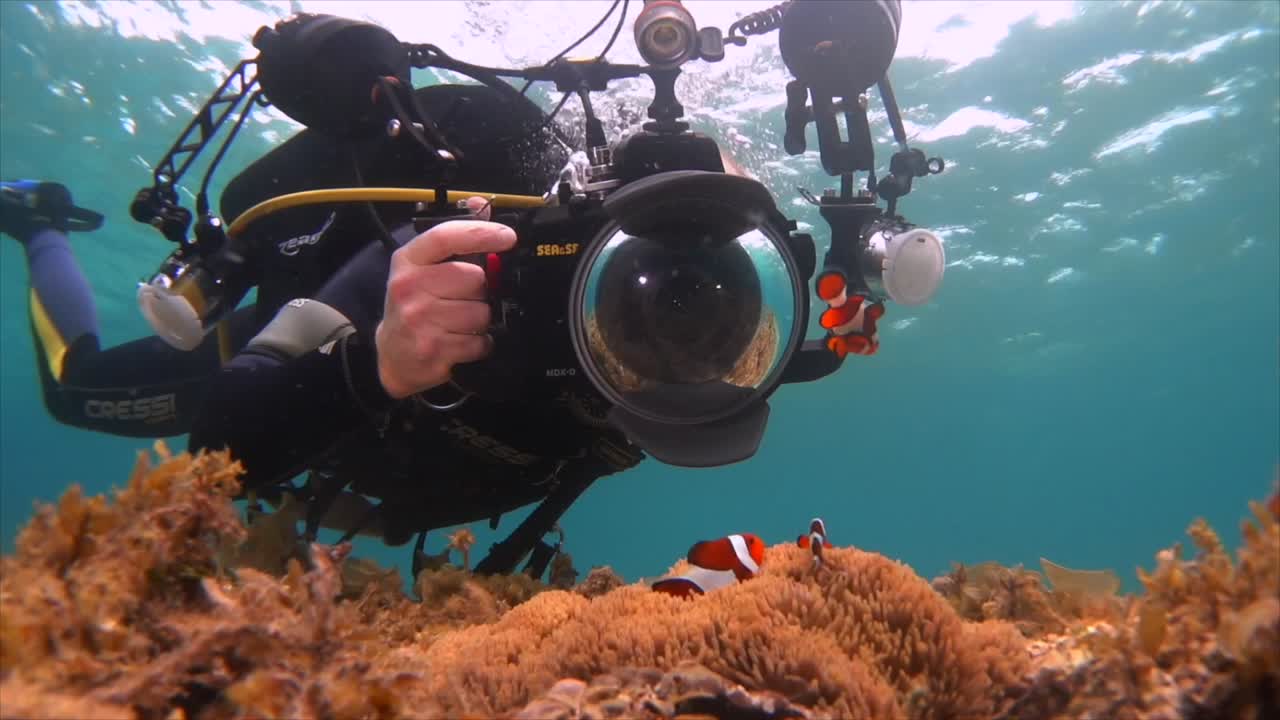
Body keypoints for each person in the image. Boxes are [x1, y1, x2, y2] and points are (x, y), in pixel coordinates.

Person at [1, 82, 568, 440]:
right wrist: (377, 367)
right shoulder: (528, 210)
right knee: (76, 388)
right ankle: (38, 223)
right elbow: (222, 438)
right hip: (319, 331)